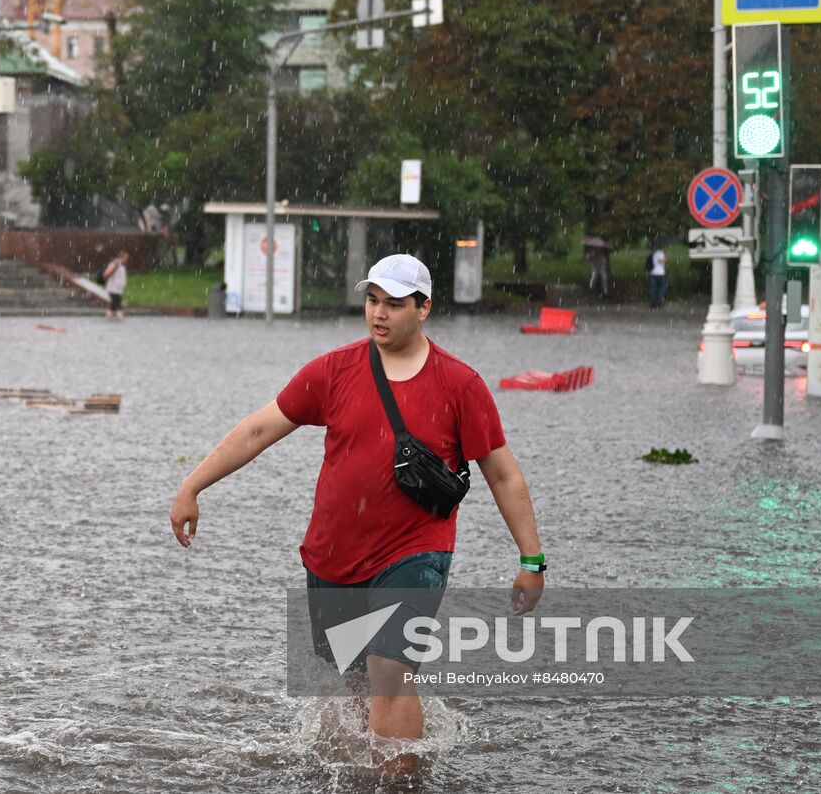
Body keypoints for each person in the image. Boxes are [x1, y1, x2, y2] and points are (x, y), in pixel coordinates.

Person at [168, 253, 545, 774]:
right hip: (332, 554)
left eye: (394, 303)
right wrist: (193, 485)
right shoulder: (334, 370)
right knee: (351, 682)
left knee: (391, 665)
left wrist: (532, 559)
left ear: (424, 308)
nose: (379, 313)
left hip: (415, 551)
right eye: (372, 300)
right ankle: (362, 774)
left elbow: (503, 474)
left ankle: (398, 782)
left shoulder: (460, 385)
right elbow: (259, 429)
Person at [101, 250, 129, 319]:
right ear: (120, 257)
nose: (127, 260)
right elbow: (106, 274)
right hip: (114, 288)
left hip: (117, 289)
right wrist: (109, 276)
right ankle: (120, 318)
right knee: (118, 305)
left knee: (113, 306)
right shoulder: (115, 264)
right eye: (125, 258)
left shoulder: (119, 265)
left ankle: (109, 317)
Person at [647, 242, 668, 308]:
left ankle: (652, 302)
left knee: (653, 288)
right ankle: (658, 301)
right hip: (660, 273)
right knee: (663, 287)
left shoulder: (653, 253)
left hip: (653, 273)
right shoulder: (660, 253)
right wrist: (666, 258)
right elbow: (661, 262)